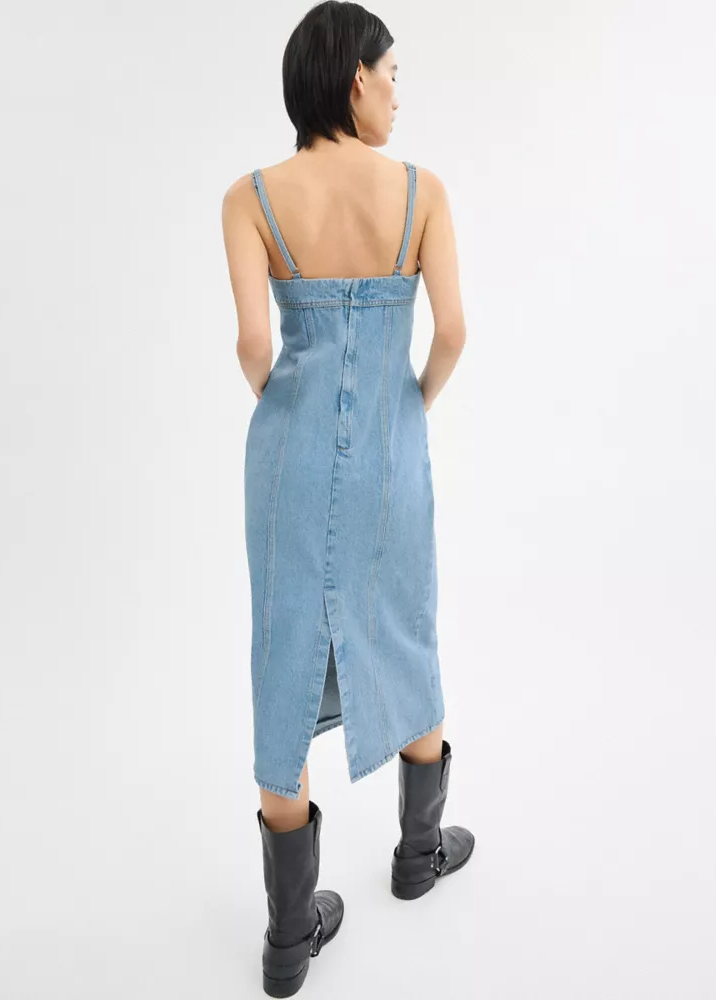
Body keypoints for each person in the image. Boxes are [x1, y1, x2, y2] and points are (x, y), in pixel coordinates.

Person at [221, 2, 473, 994]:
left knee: (283, 654)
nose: (398, 94)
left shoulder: (249, 197)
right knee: (404, 624)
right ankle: (418, 853)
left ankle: (289, 936)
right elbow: (452, 332)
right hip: (389, 453)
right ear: (354, 77)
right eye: (392, 74)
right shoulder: (421, 192)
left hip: (285, 458)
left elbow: (253, 343)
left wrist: (290, 407)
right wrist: (406, 407)